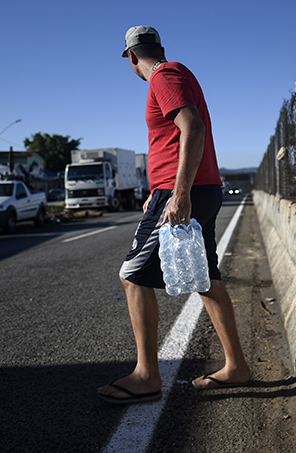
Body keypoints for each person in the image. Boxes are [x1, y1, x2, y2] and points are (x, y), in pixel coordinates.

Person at [97, 26, 251, 405]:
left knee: (132, 276)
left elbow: (192, 128)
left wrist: (177, 193)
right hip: (198, 188)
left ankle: (147, 375)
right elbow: (174, 139)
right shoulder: (179, 74)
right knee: (206, 278)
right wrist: (158, 189)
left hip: (185, 192)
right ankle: (236, 366)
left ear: (131, 58)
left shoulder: (164, 76)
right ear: (158, 47)